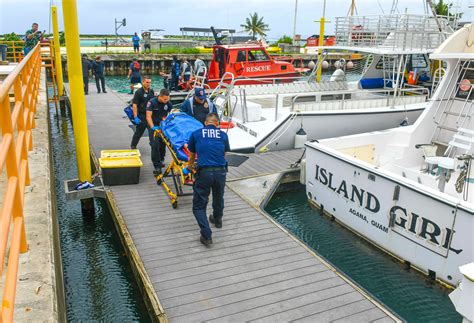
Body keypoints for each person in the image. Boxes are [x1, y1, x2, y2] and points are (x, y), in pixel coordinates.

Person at [187, 113, 230, 246]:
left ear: (205, 123)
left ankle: (207, 235)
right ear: (217, 124)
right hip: (220, 172)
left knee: (199, 206)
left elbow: (192, 155)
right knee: (218, 196)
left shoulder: (196, 134)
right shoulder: (223, 135)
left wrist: (189, 167)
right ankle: (217, 220)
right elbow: (224, 154)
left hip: (204, 172)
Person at [146, 89, 173, 174]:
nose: (166, 101)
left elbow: (171, 115)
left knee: (163, 144)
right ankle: (156, 165)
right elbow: (148, 116)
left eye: (167, 99)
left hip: (163, 126)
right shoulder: (152, 102)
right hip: (153, 125)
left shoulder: (168, 103)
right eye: (165, 99)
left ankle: (161, 159)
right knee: (155, 145)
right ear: (160, 96)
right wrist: (152, 127)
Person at [130, 76, 154, 149]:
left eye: (150, 82)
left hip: (150, 116)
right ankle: (133, 145)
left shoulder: (151, 91)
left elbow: (153, 103)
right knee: (138, 132)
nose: (148, 84)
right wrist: (135, 116)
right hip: (142, 116)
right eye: (147, 82)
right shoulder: (138, 92)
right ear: (143, 82)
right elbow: (134, 105)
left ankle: (153, 146)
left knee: (152, 132)